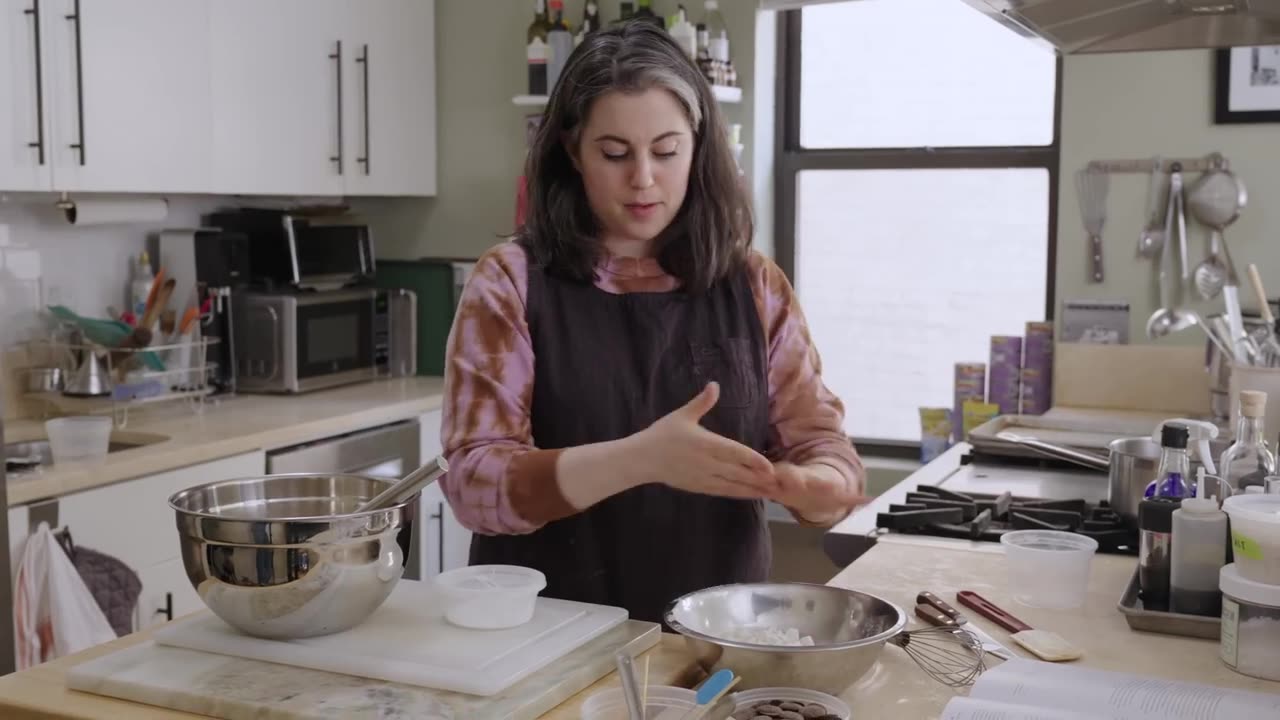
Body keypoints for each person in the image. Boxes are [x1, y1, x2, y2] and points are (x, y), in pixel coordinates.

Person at [438, 21, 865, 625]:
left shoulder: (754, 283)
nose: (643, 177)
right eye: (614, 153)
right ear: (572, 150)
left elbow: (821, 443)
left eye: (665, 152)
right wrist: (639, 459)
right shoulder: (510, 281)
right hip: (547, 639)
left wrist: (821, 485)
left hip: (717, 636)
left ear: (697, 146)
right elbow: (474, 486)